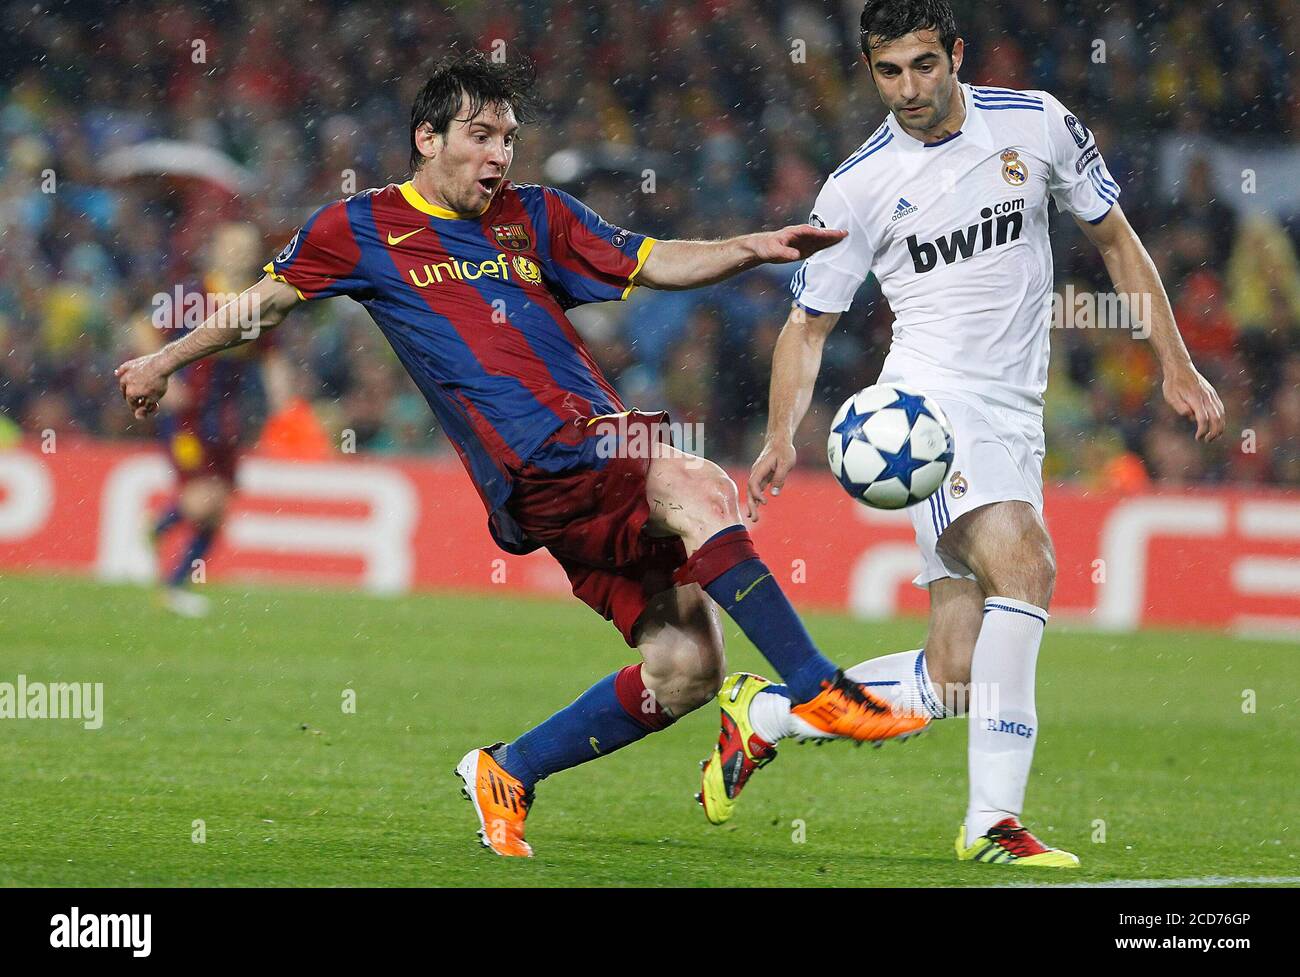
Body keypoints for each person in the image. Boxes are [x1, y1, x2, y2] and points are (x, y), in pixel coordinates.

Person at [115, 51, 928, 859]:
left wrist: (751, 246)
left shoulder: (536, 215)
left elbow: (652, 261)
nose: (498, 154)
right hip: (535, 456)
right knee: (694, 478)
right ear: (427, 138)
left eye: (508, 136)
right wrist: (162, 361)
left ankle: (508, 770)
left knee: (686, 667)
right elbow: (264, 304)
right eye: (479, 135)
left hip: (586, 456)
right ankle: (817, 686)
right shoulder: (358, 227)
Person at [697, 0, 1225, 869]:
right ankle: (993, 820)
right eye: (888, 71)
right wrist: (780, 434)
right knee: (1029, 564)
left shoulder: (1038, 123)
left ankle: (763, 714)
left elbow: (1117, 240)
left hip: (1017, 412)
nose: (907, 88)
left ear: (957, 56)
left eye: (923, 66)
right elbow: (810, 325)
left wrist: (1174, 360)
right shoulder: (858, 184)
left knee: (954, 673)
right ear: (871, 71)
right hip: (927, 409)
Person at [135, 221, 287, 617]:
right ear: (216, 250)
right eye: (230, 245)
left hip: (228, 418)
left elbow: (270, 356)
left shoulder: (259, 302)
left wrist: (285, 403)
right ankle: (157, 525)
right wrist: (160, 374)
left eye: (245, 246)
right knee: (202, 501)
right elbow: (143, 330)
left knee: (218, 508)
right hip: (187, 417)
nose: (238, 253)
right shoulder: (192, 294)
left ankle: (174, 585)